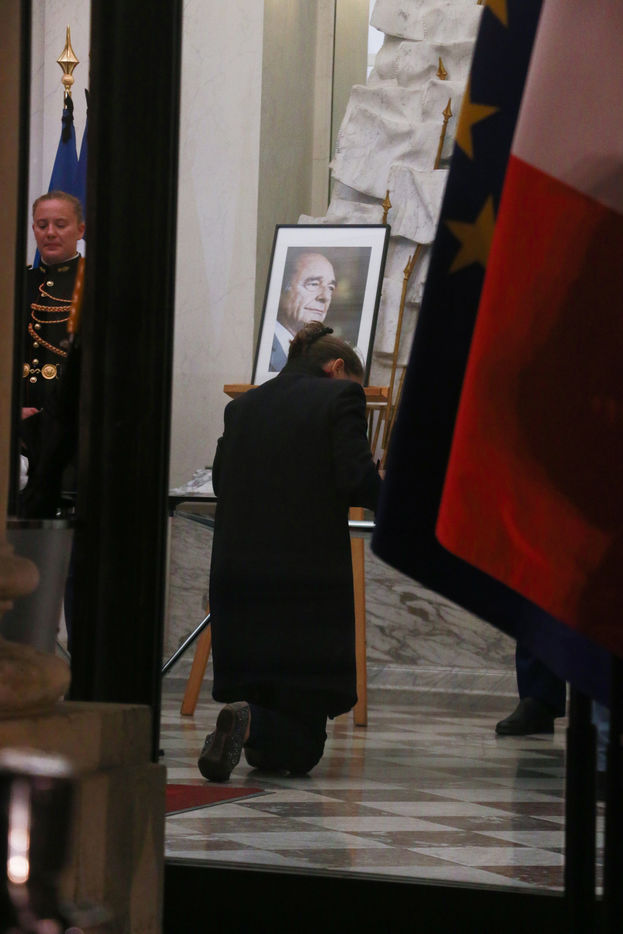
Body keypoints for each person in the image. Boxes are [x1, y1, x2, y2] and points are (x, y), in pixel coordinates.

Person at [198, 322, 380, 781]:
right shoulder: (340, 397)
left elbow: (221, 481)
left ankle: (248, 723)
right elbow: (357, 479)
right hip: (304, 584)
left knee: (267, 754)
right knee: (302, 751)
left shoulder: (242, 406)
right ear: (336, 368)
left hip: (239, 581)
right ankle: (250, 724)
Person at [19, 190, 85, 518]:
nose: (50, 232)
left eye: (60, 224)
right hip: (18, 427)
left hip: (72, 429)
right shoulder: (19, 282)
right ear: (33, 228)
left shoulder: (92, 283)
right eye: (42, 225)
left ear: (80, 230)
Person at [269, 251, 337, 371]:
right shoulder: (262, 348)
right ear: (280, 290)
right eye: (314, 284)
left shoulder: (328, 356)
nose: (325, 297)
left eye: (330, 288)